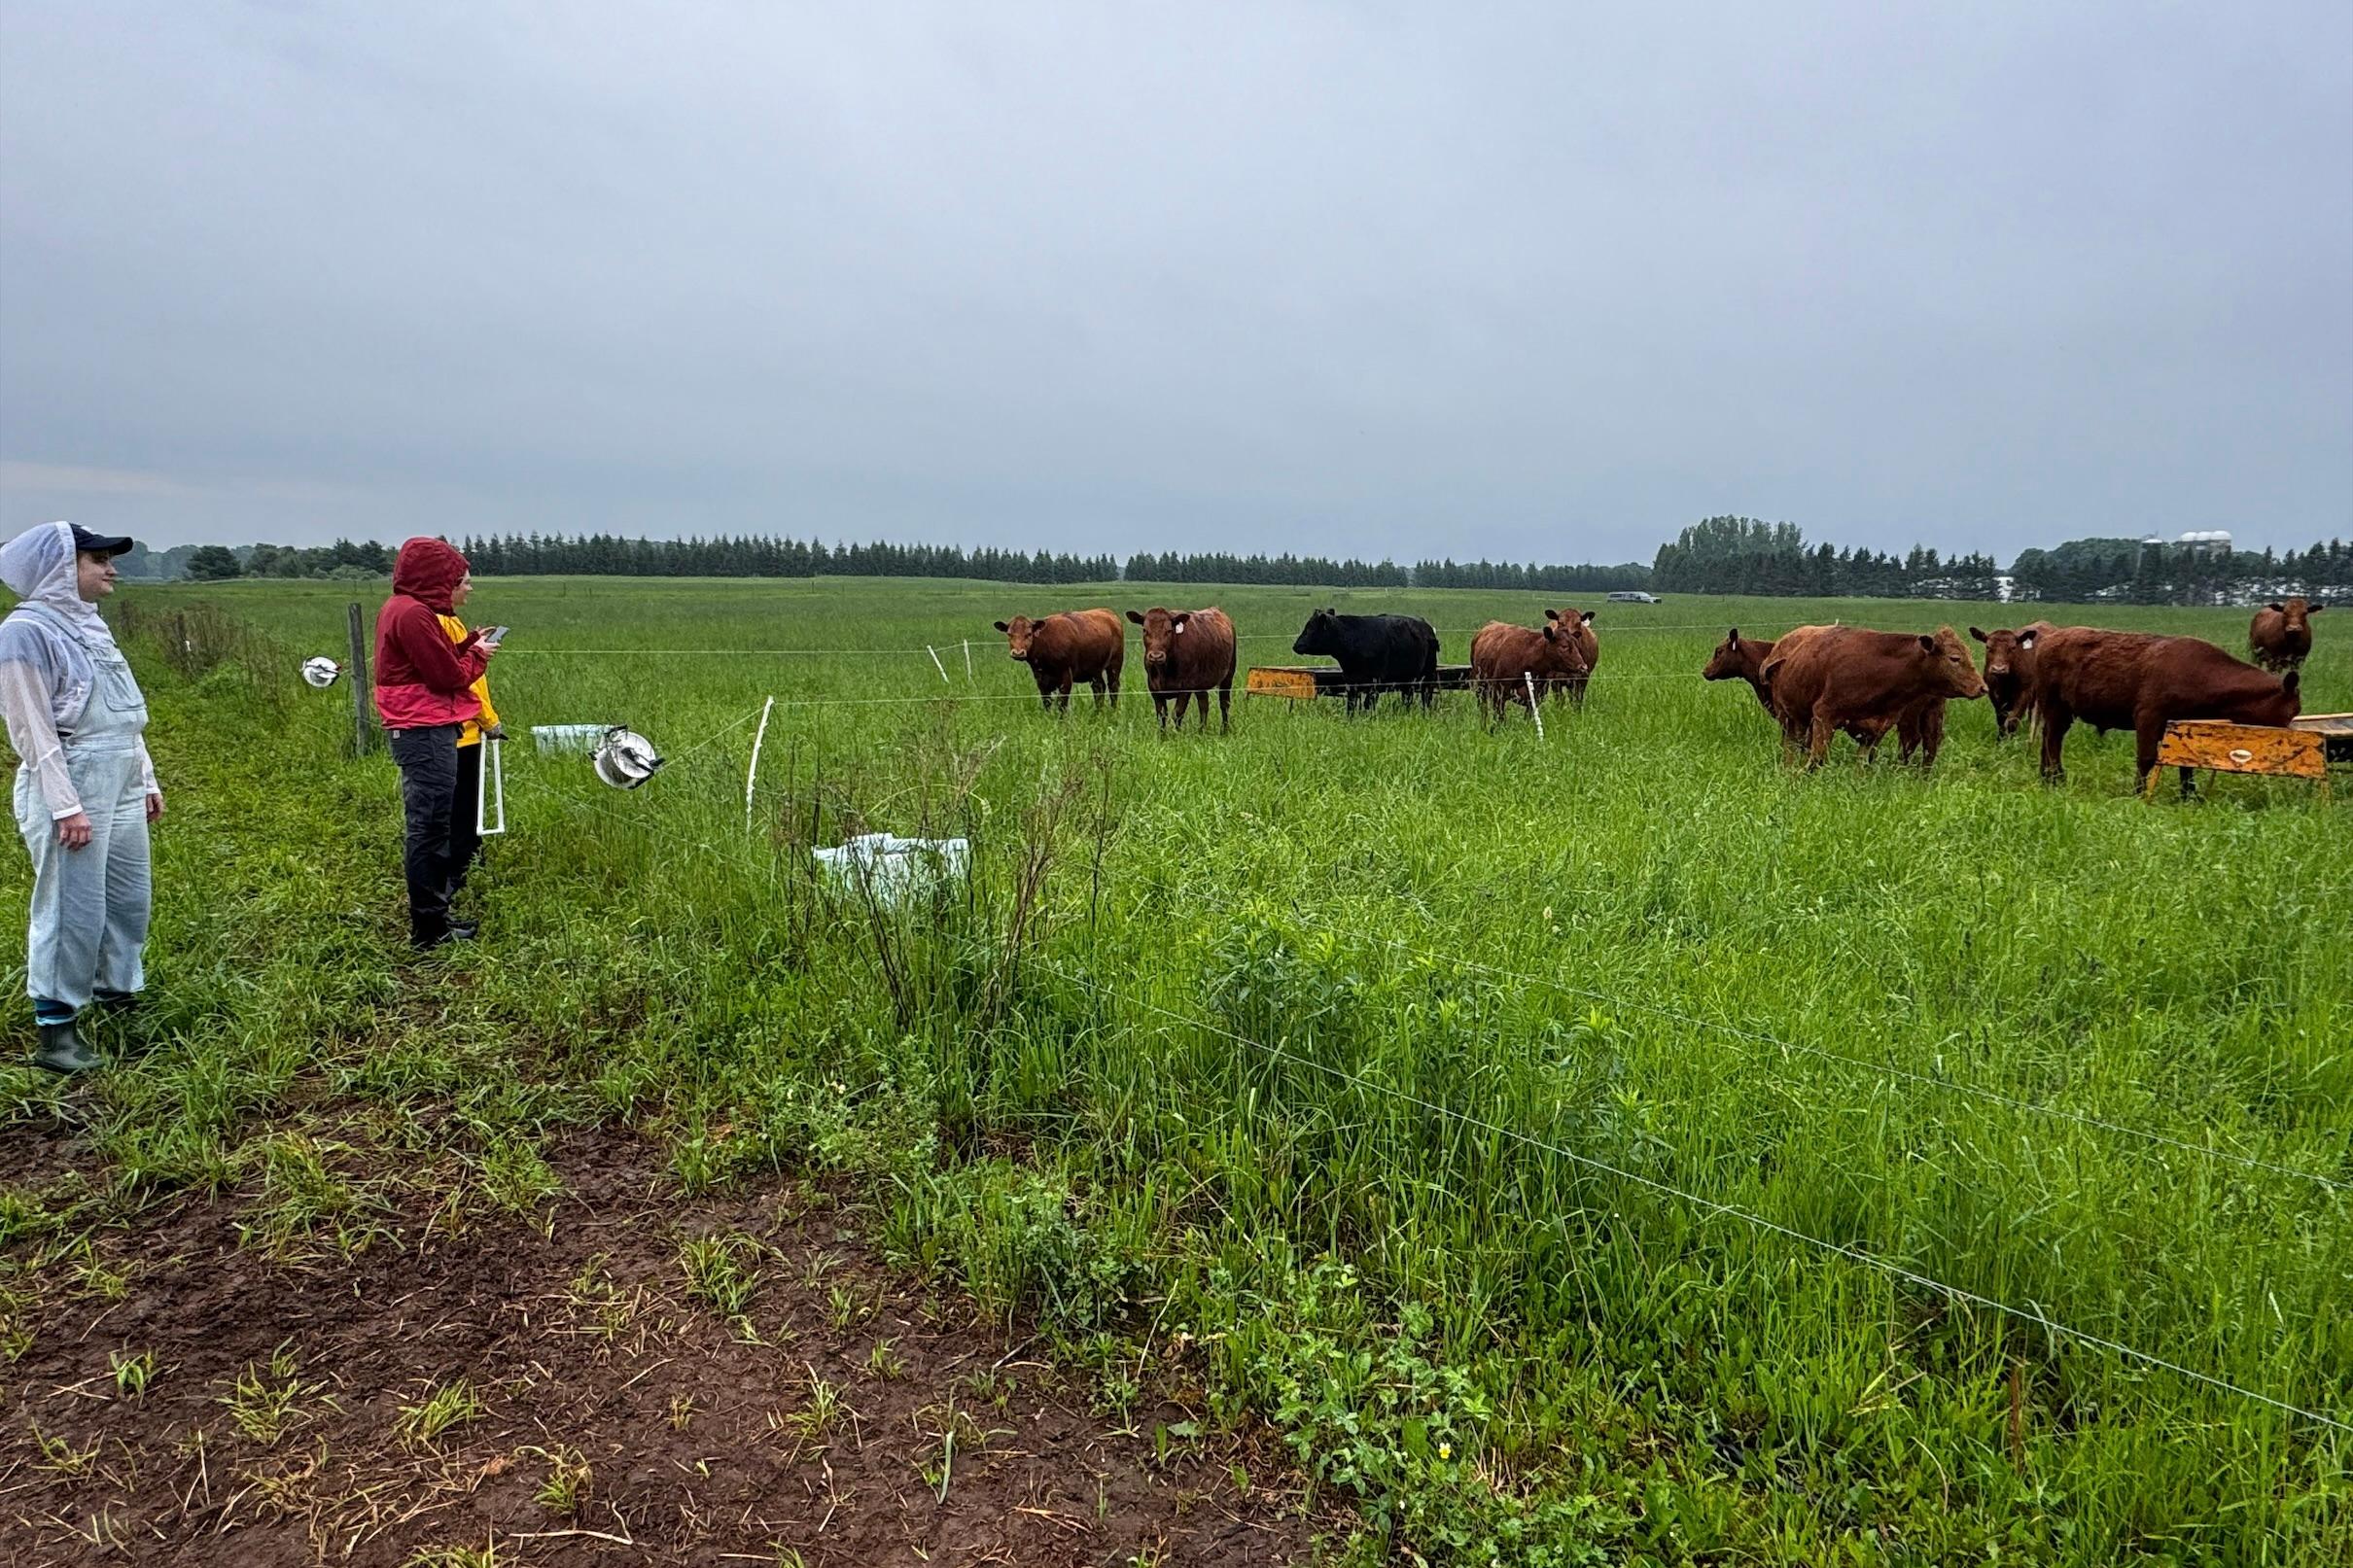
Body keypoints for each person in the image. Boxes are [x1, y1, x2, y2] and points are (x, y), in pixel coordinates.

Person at [0, 522, 163, 1072]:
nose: (110, 569)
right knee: (71, 904)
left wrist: (145, 778)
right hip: (72, 775)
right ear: (58, 569)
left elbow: (123, 712)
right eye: (96, 560)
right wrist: (65, 804)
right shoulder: (25, 633)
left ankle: (118, 995)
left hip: (117, 772)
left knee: (127, 897)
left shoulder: (90, 625)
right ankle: (56, 1026)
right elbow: (32, 728)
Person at [373, 539, 500, 949]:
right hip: (424, 730)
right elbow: (446, 677)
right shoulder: (412, 614)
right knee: (429, 828)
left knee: (430, 825)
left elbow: (432, 660)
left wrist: (465, 645)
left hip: (422, 728)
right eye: (456, 579)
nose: (462, 586)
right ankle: (430, 930)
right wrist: (477, 657)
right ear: (433, 578)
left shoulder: (405, 609)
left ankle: (434, 918)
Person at [439, 574, 502, 919]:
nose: (470, 588)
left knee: (458, 808)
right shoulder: (446, 623)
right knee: (462, 810)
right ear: (445, 587)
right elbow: (470, 685)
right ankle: (457, 873)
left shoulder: (448, 622)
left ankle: (467, 862)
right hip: (462, 733)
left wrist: (473, 639)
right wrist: (490, 722)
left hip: (454, 731)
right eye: (463, 582)